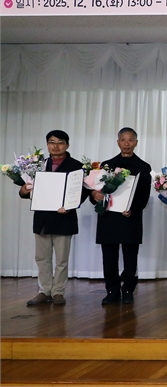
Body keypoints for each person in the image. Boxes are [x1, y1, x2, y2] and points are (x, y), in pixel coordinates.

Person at [19, 130, 89, 306]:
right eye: (52, 142)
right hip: (42, 218)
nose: (55, 146)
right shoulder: (37, 165)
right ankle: (44, 291)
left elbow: (82, 191)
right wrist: (24, 190)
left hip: (64, 218)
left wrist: (70, 205)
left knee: (61, 260)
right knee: (42, 258)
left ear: (67, 145)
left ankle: (58, 292)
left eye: (60, 142)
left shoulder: (76, 166)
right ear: (47, 145)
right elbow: (27, 190)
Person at [90, 127, 152, 305]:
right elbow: (96, 190)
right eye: (123, 140)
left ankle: (128, 290)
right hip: (108, 218)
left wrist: (133, 209)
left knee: (130, 257)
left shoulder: (143, 167)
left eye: (130, 140)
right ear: (118, 142)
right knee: (109, 257)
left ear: (136, 143)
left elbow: (144, 196)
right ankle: (112, 290)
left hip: (130, 217)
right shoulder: (106, 165)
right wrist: (94, 195)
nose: (127, 143)